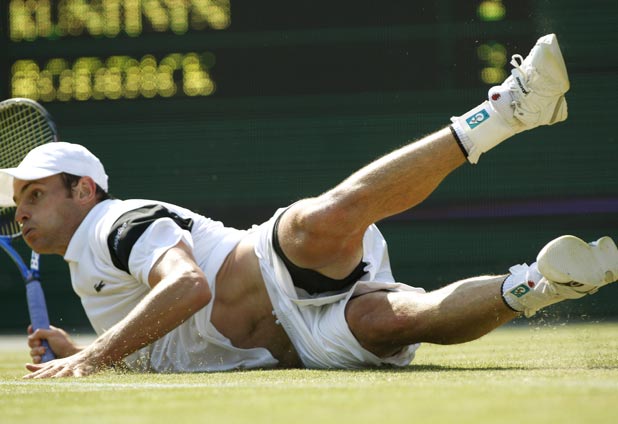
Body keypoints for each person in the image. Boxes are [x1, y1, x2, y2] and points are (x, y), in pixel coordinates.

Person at [1, 34, 617, 378]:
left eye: (35, 194)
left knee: (317, 221)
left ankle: (509, 110)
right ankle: (541, 284)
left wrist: (92, 357)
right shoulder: (86, 267)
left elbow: (188, 286)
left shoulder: (112, 223)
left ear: (84, 190)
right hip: (301, 343)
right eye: (16, 202)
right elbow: (163, 343)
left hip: (275, 267)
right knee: (397, 323)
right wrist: (82, 347)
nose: (20, 213)